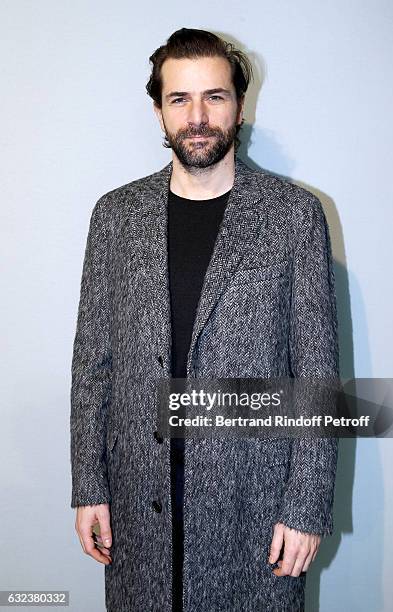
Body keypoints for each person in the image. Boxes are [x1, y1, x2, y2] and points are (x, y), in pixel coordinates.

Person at [70, 27, 340, 611]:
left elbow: (317, 377)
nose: (198, 116)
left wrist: (306, 505)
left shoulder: (294, 217)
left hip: (254, 510)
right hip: (139, 511)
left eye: (214, 97)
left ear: (240, 106)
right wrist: (89, 483)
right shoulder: (115, 216)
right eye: (180, 99)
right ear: (158, 111)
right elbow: (93, 363)